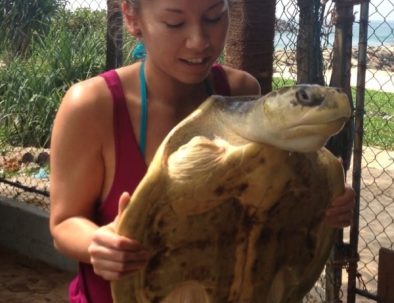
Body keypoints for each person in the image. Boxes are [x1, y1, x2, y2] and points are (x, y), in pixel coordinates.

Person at [49, 0, 356, 302]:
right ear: (132, 17)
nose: (199, 41)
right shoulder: (92, 106)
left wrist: (323, 203)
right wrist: (97, 242)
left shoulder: (241, 91)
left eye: (213, 17)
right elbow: (63, 223)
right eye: (175, 22)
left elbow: (257, 208)